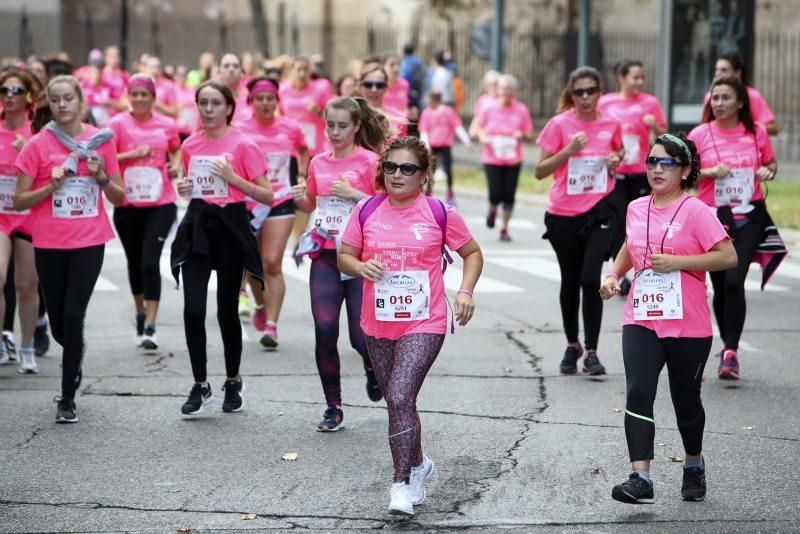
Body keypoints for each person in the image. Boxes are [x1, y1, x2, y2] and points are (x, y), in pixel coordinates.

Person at [338, 136, 483, 516]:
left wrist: (465, 291)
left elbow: (472, 253)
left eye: (407, 169)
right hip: (378, 322)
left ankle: (401, 482)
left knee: (401, 396)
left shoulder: (439, 212)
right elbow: (344, 256)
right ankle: (418, 463)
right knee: (396, 402)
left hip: (426, 320)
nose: (397, 175)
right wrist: (359, 267)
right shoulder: (367, 210)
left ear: (423, 174)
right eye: (390, 167)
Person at [600, 133, 736, 504]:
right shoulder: (636, 207)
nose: (657, 169)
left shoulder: (697, 212)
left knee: (686, 401)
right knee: (639, 391)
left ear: (686, 170)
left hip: (688, 324)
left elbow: (727, 257)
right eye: (652, 161)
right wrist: (614, 275)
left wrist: (680, 262)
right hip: (642, 318)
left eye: (667, 163)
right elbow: (632, 244)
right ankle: (640, 477)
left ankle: (694, 463)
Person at [14, 75, 126, 423]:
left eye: (68, 98)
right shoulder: (38, 145)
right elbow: (19, 201)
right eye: (56, 100)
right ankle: (74, 352)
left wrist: (102, 177)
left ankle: (67, 398)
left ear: (80, 101)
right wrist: (50, 186)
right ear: (49, 104)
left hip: (89, 240)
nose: (62, 105)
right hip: (48, 241)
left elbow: (120, 196)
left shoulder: (102, 141)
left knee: (75, 315)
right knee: (62, 324)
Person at [170, 80, 273, 417]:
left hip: (230, 227)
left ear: (229, 108)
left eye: (216, 103)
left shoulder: (244, 144)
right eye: (204, 103)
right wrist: (185, 187)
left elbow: (266, 195)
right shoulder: (190, 145)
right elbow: (193, 186)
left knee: (226, 310)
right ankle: (201, 385)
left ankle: (232, 380)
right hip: (199, 225)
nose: (209, 109)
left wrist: (233, 178)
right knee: (192, 311)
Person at [291, 96, 391, 432]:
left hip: (361, 260)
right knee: (324, 330)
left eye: (342, 126)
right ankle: (333, 406)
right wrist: (300, 198)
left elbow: (387, 207)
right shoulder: (318, 162)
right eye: (330, 125)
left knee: (360, 340)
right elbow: (311, 202)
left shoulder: (370, 162)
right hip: (326, 256)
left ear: (357, 126)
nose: (334, 132)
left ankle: (372, 368)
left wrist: (355, 195)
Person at [534, 66, 624, 376]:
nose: (585, 97)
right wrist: (569, 150)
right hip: (563, 216)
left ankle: (592, 352)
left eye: (591, 91)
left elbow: (618, 152)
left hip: (599, 211)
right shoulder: (559, 124)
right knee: (571, 282)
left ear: (600, 92)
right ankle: (572, 345)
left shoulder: (611, 123)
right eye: (579, 92)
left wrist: (616, 160)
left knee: (590, 279)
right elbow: (540, 170)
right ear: (571, 94)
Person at [688, 76, 778, 380]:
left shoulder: (756, 132)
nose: (719, 103)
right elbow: (685, 177)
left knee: (732, 281)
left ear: (740, 102)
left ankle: (731, 352)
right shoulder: (699, 134)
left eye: (726, 98)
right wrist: (711, 172)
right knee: (720, 286)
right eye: (715, 98)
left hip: (749, 216)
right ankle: (728, 346)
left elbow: (771, 164)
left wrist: (768, 171)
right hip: (713, 218)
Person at [108, 73, 181, 350]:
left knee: (151, 262)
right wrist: (131, 155)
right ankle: (140, 311)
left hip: (161, 202)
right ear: (129, 96)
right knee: (135, 263)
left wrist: (174, 166)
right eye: (135, 94)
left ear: (153, 98)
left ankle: (151, 324)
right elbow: (106, 157)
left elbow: (176, 148)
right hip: (127, 203)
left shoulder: (166, 124)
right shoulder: (117, 124)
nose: (139, 99)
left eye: (144, 95)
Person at [235, 77, 309, 347]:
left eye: (270, 98)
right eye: (259, 98)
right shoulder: (240, 128)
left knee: (272, 262)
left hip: (280, 199)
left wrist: (301, 172)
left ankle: (272, 326)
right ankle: (260, 304)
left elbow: (303, 149)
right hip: (250, 201)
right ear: (251, 101)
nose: (265, 103)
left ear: (277, 101)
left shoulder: (290, 127)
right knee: (252, 264)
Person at [599, 60, 667, 295]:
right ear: (621, 78)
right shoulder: (606, 102)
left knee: (637, 221)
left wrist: (656, 126)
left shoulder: (650, 103)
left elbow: (665, 137)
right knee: (618, 219)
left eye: (642, 78)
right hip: (615, 171)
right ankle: (621, 275)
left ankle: (634, 268)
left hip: (640, 171)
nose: (639, 82)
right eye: (634, 77)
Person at [0, 68, 40, 372]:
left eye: (15, 91)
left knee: (26, 285)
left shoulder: (36, 133)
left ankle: (27, 346)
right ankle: (3, 340)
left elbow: (47, 175)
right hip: (1, 216)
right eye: (4, 90)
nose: (9, 96)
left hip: (27, 217)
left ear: (28, 96)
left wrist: (25, 151)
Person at [474, 74, 533, 241]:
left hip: (513, 158)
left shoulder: (521, 109)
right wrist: (482, 137)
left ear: (514, 91)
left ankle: (504, 228)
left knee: (509, 194)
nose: (505, 91)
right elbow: (478, 127)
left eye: (508, 88)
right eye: (502, 88)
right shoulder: (488, 108)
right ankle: (492, 210)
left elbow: (529, 133)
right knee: (495, 193)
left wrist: (521, 134)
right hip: (492, 157)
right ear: (497, 90)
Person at [703, 51, 777, 135]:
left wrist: (745, 129)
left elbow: (773, 128)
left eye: (723, 70)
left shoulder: (752, 95)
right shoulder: (709, 96)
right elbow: (704, 124)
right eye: (716, 69)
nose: (717, 74)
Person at [418, 89, 472, 204]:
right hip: (433, 146)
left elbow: (457, 127)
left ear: (435, 99)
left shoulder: (447, 112)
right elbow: (424, 131)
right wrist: (426, 146)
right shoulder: (426, 113)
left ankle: (450, 190)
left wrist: (466, 141)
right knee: (431, 169)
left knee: (448, 168)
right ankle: (428, 190)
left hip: (445, 145)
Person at [359, 62, 407, 137]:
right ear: (360, 86)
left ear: (386, 87)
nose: (374, 90)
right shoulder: (351, 116)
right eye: (368, 85)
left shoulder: (398, 118)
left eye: (379, 85)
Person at [468, 70, 500, 138]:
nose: (492, 87)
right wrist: (479, 133)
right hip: (488, 139)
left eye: (495, 84)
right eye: (489, 85)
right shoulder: (482, 100)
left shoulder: (505, 100)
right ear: (486, 85)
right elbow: (474, 127)